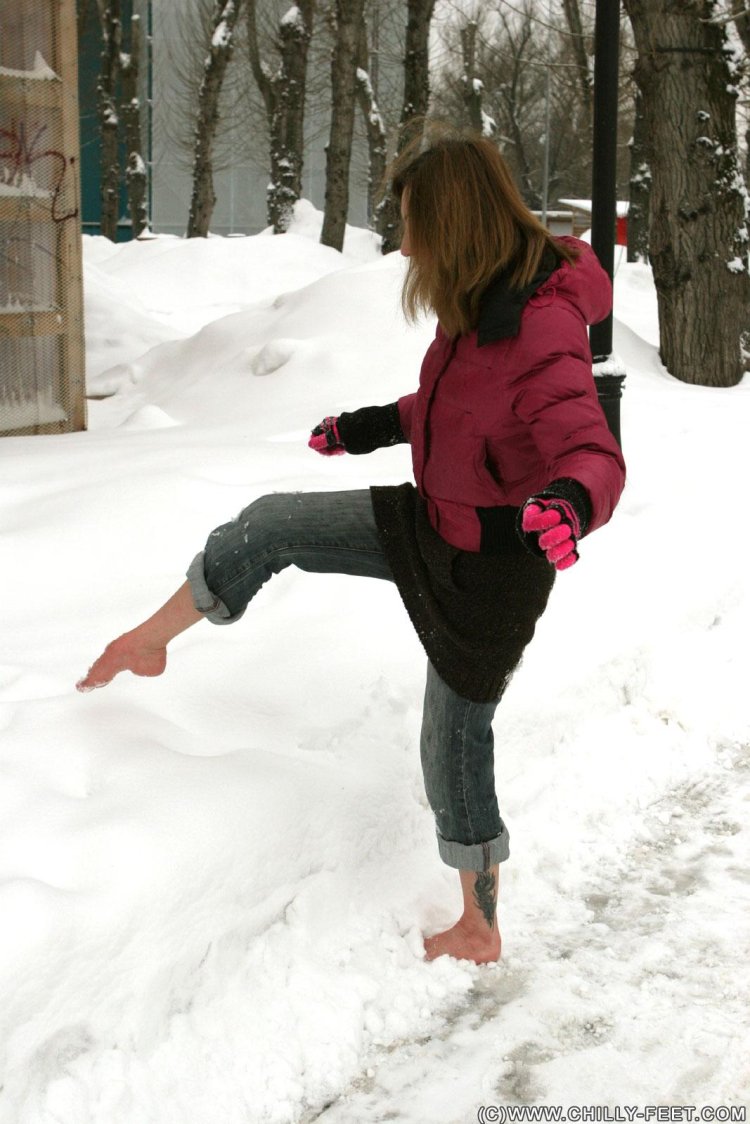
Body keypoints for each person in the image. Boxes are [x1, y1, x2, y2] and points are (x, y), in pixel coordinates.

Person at [77, 131, 626, 966]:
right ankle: (151, 640)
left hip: (495, 569)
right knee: (272, 521)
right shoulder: (475, 302)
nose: (405, 244)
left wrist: (569, 503)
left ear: (456, 222)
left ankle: (478, 925)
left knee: (452, 743)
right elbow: (456, 406)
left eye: (414, 224)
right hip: (429, 523)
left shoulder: (542, 324)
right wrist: (370, 427)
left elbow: (590, 448)